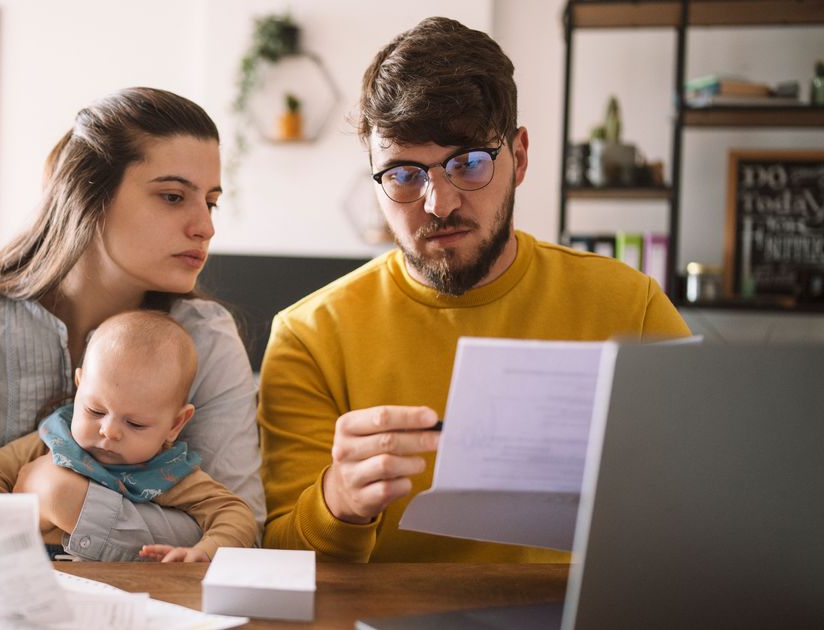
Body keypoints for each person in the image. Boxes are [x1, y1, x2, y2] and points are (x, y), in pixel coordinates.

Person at [258, 17, 691, 563]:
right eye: (404, 174)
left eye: (468, 163)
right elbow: (277, 562)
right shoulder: (308, 337)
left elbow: (709, 501)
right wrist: (338, 503)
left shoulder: (631, 306)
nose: (439, 204)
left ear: (520, 157)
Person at [0, 87, 265, 579]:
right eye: (173, 197)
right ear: (88, 196)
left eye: (211, 202)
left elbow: (242, 528)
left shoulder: (207, 339)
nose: (205, 227)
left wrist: (65, 499)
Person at [0, 310, 257, 562]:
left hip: (121, 586)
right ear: (79, 386)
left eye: (135, 424)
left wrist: (206, 551)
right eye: (95, 410)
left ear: (175, 424)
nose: (109, 430)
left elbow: (235, 514)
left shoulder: (168, 472)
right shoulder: (55, 439)